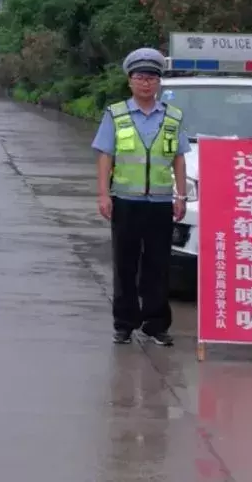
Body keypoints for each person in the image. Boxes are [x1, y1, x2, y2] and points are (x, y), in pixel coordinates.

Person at [92, 47, 190, 346]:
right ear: (130, 82)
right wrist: (103, 194)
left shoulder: (172, 117)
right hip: (125, 200)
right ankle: (124, 323)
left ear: (159, 83)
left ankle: (156, 324)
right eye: (140, 77)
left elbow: (179, 159)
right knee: (125, 264)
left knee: (158, 265)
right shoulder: (116, 114)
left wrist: (181, 196)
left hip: (160, 203)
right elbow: (105, 155)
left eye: (152, 78)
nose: (146, 83)